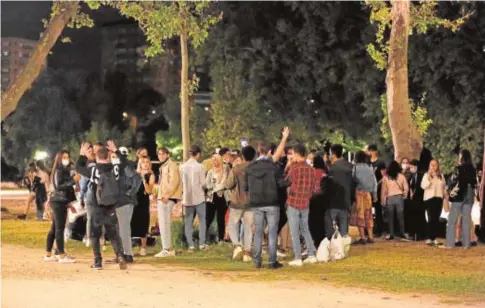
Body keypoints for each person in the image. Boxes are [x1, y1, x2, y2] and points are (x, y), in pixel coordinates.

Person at [77, 141, 128, 270]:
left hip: (97, 206)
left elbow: (78, 168)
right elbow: (124, 163)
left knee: (95, 234)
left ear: (97, 157)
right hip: (111, 205)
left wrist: (82, 154)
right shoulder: (115, 169)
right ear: (108, 156)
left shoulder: (94, 170)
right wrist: (116, 150)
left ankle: (98, 261)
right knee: (113, 234)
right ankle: (121, 256)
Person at [244, 143, 284, 269]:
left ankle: (257, 260)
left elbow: (246, 186)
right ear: (269, 151)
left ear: (258, 151)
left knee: (258, 232)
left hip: (256, 202)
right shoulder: (273, 167)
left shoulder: (250, 168)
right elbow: (280, 183)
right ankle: (272, 261)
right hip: (272, 202)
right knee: (272, 233)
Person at [285, 144, 317, 266]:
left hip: (293, 202)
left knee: (294, 231)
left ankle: (298, 257)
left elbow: (286, 181)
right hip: (305, 202)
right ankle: (311, 254)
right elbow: (314, 188)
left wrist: (289, 164)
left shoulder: (295, 168)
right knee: (305, 229)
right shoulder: (311, 170)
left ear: (297, 154)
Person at [43, 150, 76, 264]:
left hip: (59, 201)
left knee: (54, 228)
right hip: (58, 201)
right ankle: (61, 255)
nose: (67, 159)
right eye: (64, 157)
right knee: (59, 229)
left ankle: (48, 253)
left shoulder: (61, 170)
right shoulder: (59, 170)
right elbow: (59, 186)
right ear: (59, 159)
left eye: (68, 157)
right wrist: (73, 181)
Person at [225, 146, 256, 261]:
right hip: (252, 203)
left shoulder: (236, 169)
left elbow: (228, 184)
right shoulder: (257, 169)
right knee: (248, 228)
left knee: (232, 225)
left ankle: (237, 245)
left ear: (242, 156)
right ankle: (247, 254)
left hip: (237, 202)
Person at [443, 150, 477, 249]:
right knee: (466, 219)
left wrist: (450, 190)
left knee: (452, 218)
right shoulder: (473, 169)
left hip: (460, 193)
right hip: (470, 193)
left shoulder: (458, 168)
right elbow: (474, 182)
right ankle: (466, 244)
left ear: (461, 157)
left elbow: (455, 181)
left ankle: (450, 243)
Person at [113, 151, 142, 263]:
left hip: (124, 201)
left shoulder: (126, 168)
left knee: (124, 229)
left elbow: (136, 179)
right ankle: (124, 253)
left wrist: (129, 193)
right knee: (123, 229)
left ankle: (127, 254)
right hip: (124, 201)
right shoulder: (122, 169)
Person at [155, 147, 182, 257]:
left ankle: (167, 248)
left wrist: (167, 195)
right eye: (159, 154)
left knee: (164, 223)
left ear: (167, 154)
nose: (160, 156)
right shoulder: (164, 166)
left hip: (167, 198)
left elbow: (174, 181)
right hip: (163, 197)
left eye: (162, 154)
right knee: (163, 223)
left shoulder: (171, 165)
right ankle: (167, 248)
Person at [180, 145, 207, 251]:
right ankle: (201, 244)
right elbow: (203, 183)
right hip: (199, 197)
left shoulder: (182, 167)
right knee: (202, 221)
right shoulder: (200, 167)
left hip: (187, 198)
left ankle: (190, 245)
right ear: (198, 154)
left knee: (188, 222)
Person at [325, 144, 353, 239]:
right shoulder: (350, 166)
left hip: (333, 201)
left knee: (331, 226)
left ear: (333, 154)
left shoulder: (332, 168)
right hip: (346, 200)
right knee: (344, 226)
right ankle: (344, 246)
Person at [350, 151, 378, 245]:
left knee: (360, 216)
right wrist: (374, 195)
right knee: (368, 215)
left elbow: (352, 180)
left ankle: (363, 237)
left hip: (359, 193)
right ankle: (371, 236)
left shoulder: (355, 168)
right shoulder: (370, 168)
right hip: (368, 194)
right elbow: (375, 183)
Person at [132, 156, 155, 257]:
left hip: (144, 201)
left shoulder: (151, 175)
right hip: (133, 200)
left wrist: (143, 180)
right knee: (131, 222)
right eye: (143, 162)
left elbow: (149, 191)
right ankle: (128, 247)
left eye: (147, 162)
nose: (145, 164)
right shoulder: (135, 174)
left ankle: (143, 247)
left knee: (143, 223)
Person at [420, 159, 447, 246]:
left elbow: (444, 187)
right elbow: (424, 186)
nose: (433, 166)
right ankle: (429, 238)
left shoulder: (441, 176)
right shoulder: (426, 175)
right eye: (432, 164)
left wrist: (445, 197)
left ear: (438, 166)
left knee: (436, 218)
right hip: (429, 198)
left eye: (435, 164)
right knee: (431, 218)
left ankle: (434, 237)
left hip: (438, 198)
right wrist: (429, 177)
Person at [381, 161, 409, 240]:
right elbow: (406, 187)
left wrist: (383, 200)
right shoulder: (401, 176)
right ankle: (402, 233)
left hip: (390, 198)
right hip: (399, 198)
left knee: (390, 217)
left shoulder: (386, 177)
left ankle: (391, 234)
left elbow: (384, 190)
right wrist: (404, 195)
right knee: (400, 216)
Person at [205, 154, 229, 243]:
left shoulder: (225, 171)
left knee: (220, 219)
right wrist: (214, 186)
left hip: (221, 197)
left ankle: (221, 239)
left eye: (215, 160)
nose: (213, 162)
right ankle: (203, 238)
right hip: (211, 197)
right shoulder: (210, 172)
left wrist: (214, 187)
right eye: (212, 160)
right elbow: (207, 184)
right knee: (208, 218)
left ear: (219, 161)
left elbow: (224, 184)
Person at [78, 143, 97, 247]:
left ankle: (89, 238)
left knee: (90, 217)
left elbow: (83, 184)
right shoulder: (99, 165)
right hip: (98, 194)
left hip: (90, 194)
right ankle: (101, 238)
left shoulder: (87, 167)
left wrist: (81, 198)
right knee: (98, 217)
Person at [367, 144, 387, 237]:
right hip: (368, 189)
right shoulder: (367, 162)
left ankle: (379, 230)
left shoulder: (380, 162)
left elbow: (384, 176)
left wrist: (378, 183)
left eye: (369, 151)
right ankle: (369, 230)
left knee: (378, 210)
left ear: (374, 151)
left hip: (378, 189)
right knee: (368, 210)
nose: (368, 153)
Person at [308, 155, 327, 246]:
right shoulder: (325, 172)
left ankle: (315, 239)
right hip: (323, 200)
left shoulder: (311, 172)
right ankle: (322, 238)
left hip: (312, 199)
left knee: (313, 220)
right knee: (321, 220)